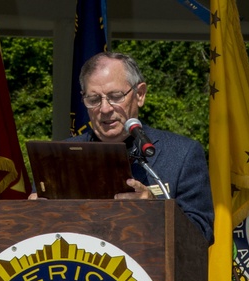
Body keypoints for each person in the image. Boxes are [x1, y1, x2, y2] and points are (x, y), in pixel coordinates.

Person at [44, 51, 214, 244]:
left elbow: (201, 235)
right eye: (93, 100)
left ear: (140, 94)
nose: (105, 108)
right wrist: (34, 213)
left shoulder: (182, 154)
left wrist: (154, 211)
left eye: (115, 96)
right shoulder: (59, 157)